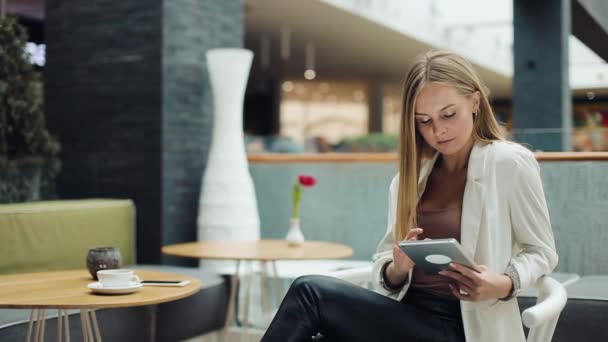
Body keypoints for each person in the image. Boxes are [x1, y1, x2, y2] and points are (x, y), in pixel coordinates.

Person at [261, 51, 558, 342]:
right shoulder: (409, 180)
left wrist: (504, 284)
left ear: (475, 102)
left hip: (465, 328)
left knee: (309, 293)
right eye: (424, 121)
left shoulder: (509, 163)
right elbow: (386, 266)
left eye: (449, 114)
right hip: (404, 318)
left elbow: (541, 251)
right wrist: (397, 268)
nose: (438, 130)